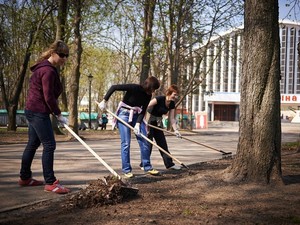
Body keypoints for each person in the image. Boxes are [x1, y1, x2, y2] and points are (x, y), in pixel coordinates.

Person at [18, 40, 70, 194]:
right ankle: (50, 182)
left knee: (33, 144)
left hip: (32, 110)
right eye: (61, 55)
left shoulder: (43, 68)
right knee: (49, 145)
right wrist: (59, 114)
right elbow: (48, 97)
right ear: (53, 53)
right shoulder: (48, 71)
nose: (64, 58)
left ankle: (25, 178)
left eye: (66, 56)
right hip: (38, 111)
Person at [98, 76, 160, 178]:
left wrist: (138, 123)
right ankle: (126, 170)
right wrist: (104, 100)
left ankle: (147, 166)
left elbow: (143, 110)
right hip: (124, 114)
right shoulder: (134, 88)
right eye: (153, 88)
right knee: (126, 143)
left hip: (136, 115)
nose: (153, 91)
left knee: (144, 139)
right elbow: (114, 87)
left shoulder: (148, 95)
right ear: (148, 86)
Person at [143, 84, 182, 170]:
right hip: (149, 121)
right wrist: (143, 120)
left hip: (158, 122)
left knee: (162, 143)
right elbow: (145, 106)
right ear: (169, 93)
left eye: (176, 95)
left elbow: (171, 118)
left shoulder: (172, 104)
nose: (175, 97)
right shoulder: (159, 99)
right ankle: (144, 164)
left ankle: (169, 164)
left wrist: (176, 130)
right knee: (149, 144)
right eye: (174, 94)